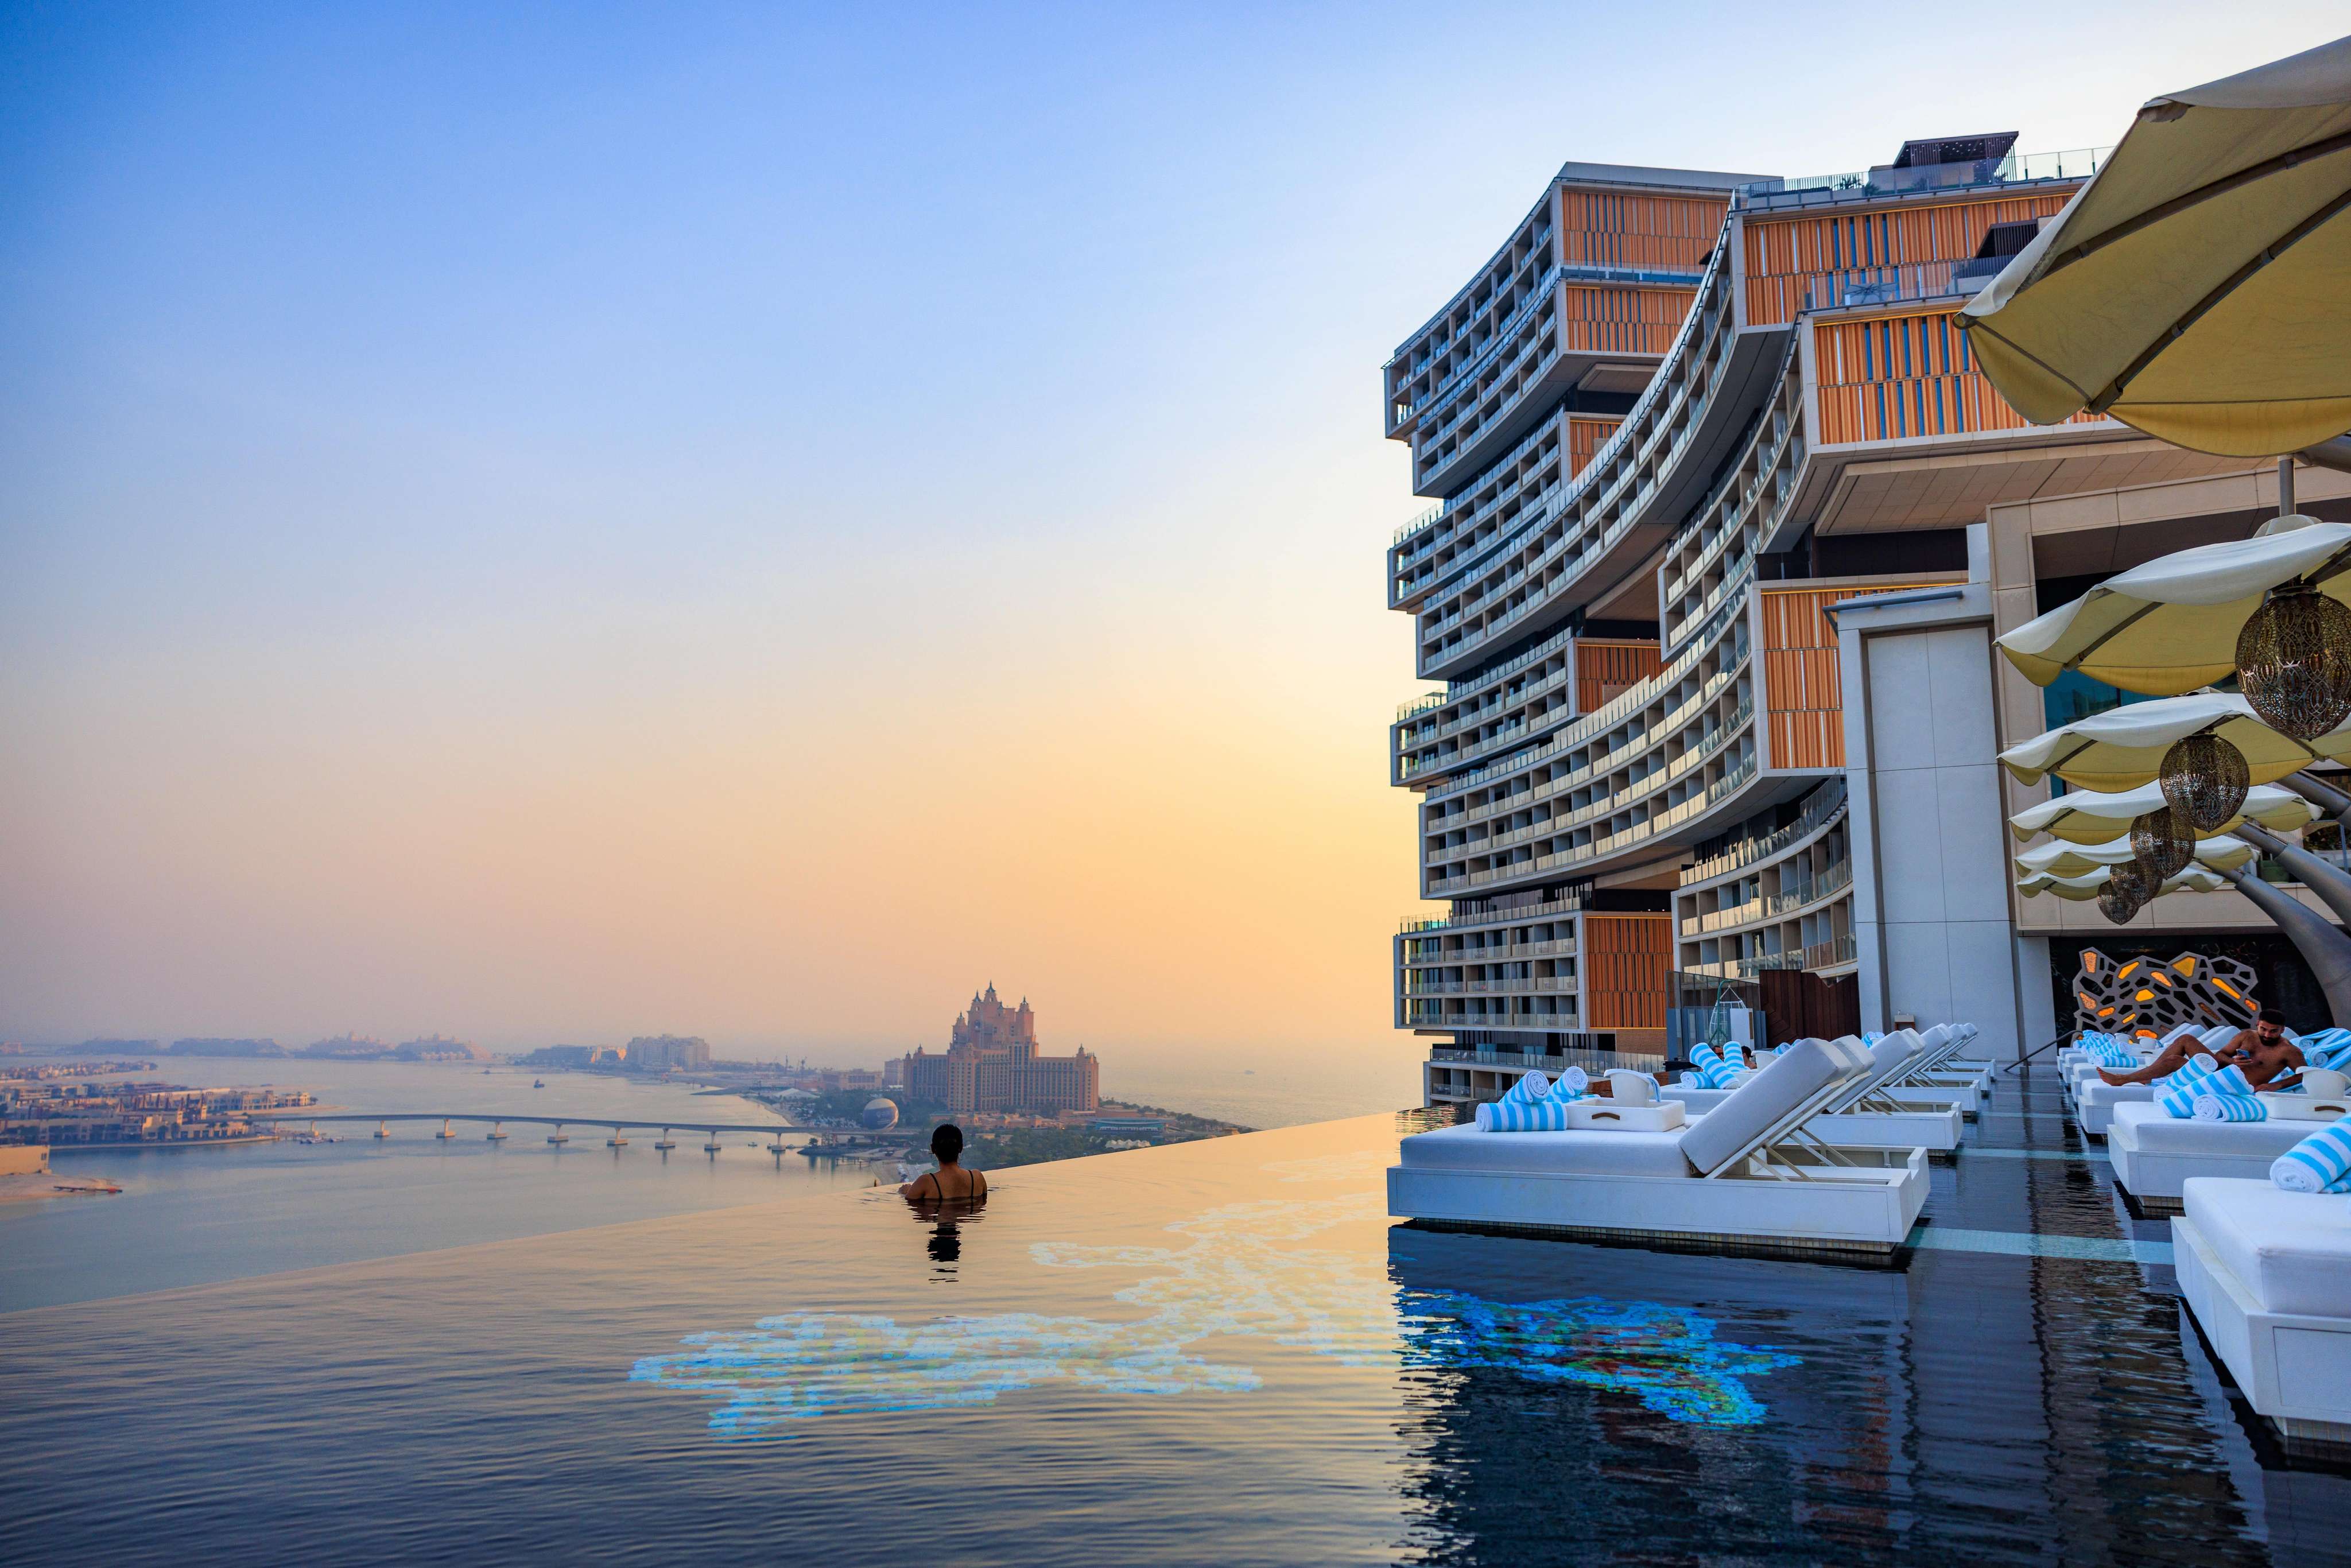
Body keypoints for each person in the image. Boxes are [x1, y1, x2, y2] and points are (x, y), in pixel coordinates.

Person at [2094, 1008, 2306, 1088]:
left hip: (2235, 1083)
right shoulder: (2247, 1036)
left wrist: (2274, 1085)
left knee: (2174, 1062)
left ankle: (2123, 1080)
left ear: (2282, 1030)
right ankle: (2148, 1075)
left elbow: (2304, 1075)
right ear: (2257, 1024)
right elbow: (2221, 1054)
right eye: (2263, 1029)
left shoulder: (2288, 1051)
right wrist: (2233, 1061)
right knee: (2186, 1039)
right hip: (2221, 1070)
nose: (2267, 1035)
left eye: (2273, 1032)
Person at [900, 1122, 987, 1203]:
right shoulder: (977, 1177)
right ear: (961, 1148)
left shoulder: (926, 1182)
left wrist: (906, 1192)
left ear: (933, 1149)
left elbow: (910, 1203)